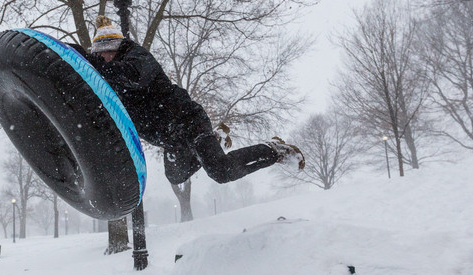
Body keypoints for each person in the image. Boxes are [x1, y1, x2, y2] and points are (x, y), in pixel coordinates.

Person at [77, 16, 304, 186]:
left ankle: (274, 150)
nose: (100, 58)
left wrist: (89, 60)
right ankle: (215, 139)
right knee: (176, 176)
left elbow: (133, 75)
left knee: (220, 171)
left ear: (114, 47)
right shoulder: (111, 80)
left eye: (102, 53)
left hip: (187, 121)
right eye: (96, 55)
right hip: (171, 138)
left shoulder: (137, 57)